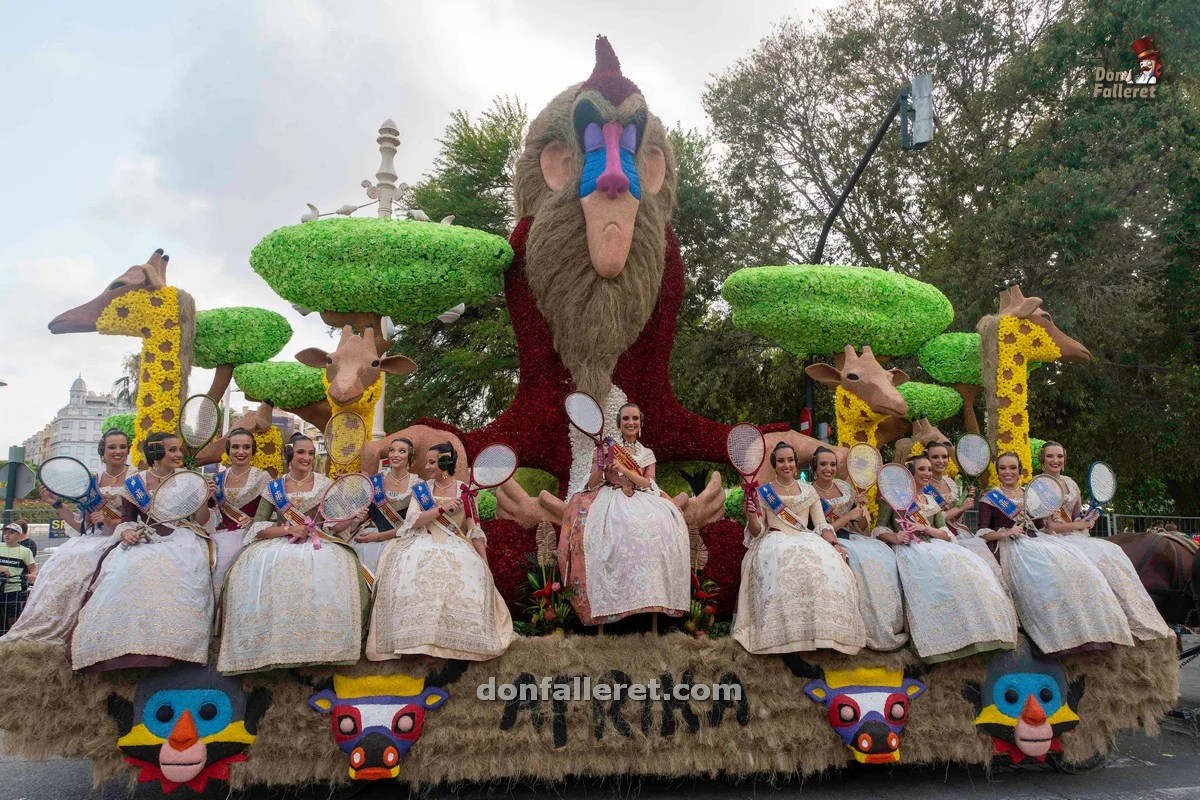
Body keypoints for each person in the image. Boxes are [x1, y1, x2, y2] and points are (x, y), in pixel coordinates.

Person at [217, 434, 370, 674]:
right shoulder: (274, 487)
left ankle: (323, 646)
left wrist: (352, 517)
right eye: (301, 452)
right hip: (279, 542)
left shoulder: (324, 484)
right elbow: (259, 526)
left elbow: (333, 525)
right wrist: (289, 529)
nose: (307, 457)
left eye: (311, 453)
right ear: (290, 454)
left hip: (318, 543)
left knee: (336, 567)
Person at [70, 432, 216, 672]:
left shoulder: (191, 480)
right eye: (172, 450)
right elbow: (127, 520)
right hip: (144, 536)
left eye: (179, 449)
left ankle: (173, 647)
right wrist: (126, 532)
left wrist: (203, 499)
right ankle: (120, 645)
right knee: (122, 569)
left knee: (174, 571)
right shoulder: (134, 484)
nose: (179, 454)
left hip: (182, 539)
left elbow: (202, 521)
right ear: (156, 454)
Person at [367, 442, 514, 661]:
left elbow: (473, 529)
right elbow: (414, 521)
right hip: (421, 540)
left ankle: (450, 642)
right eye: (427, 461)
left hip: (455, 543)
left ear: (445, 464)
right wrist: (441, 509)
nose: (426, 467)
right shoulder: (421, 490)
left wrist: (485, 564)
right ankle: (413, 640)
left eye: (432, 462)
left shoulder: (465, 492)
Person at [976, 452, 1132, 655]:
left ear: (1020, 471)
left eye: (1012, 468)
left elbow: (1042, 527)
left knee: (1074, 565)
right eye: (1003, 468)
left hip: (1038, 541)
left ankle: (1088, 629)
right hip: (1011, 546)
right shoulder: (990, 498)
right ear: (997, 472)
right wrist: (1005, 533)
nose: (1008, 472)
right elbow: (982, 532)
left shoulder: (1030, 493)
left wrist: (1057, 520)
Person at [874, 455, 1017, 663]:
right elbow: (879, 528)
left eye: (929, 470)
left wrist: (925, 527)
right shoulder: (892, 499)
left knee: (970, 566)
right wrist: (895, 537)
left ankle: (980, 632)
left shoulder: (931, 501)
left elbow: (944, 533)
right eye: (922, 469)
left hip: (936, 545)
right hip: (910, 548)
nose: (927, 474)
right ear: (909, 474)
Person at [558, 403, 691, 626]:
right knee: (602, 531)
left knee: (662, 525)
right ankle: (606, 604)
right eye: (626, 419)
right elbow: (593, 482)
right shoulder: (605, 448)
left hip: (641, 496)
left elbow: (647, 482)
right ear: (619, 424)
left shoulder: (646, 453)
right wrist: (604, 462)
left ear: (641, 423)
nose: (631, 423)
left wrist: (623, 467)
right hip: (611, 496)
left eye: (635, 419)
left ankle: (653, 598)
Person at [3, 429, 135, 646]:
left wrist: (111, 519)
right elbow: (81, 525)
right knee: (59, 566)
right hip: (92, 539)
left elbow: (140, 518)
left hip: (123, 537)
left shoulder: (136, 478)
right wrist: (55, 504)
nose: (118, 451)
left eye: (123, 447)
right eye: (112, 447)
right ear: (103, 452)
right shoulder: (93, 481)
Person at [732, 442, 866, 655]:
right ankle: (787, 639)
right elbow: (757, 531)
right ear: (774, 465)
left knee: (826, 568)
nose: (786, 465)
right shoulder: (764, 492)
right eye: (781, 461)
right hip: (775, 539)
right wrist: (750, 515)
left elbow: (821, 524)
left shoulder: (808, 490)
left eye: (790, 460)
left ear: (796, 464)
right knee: (785, 570)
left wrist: (834, 544)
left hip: (806, 539)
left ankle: (824, 634)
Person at [1038, 442, 1171, 642]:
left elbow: (1076, 518)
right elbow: (1048, 525)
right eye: (1050, 456)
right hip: (1052, 539)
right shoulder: (1038, 485)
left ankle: (1136, 616)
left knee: (1113, 552)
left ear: (1064, 460)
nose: (1055, 460)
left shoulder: (1071, 483)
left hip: (1076, 537)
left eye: (1059, 456)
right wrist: (1078, 525)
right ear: (1042, 461)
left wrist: (1087, 520)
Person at [809, 446, 906, 650]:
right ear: (814, 467)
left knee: (884, 555)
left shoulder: (845, 489)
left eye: (832, 464)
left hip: (852, 536)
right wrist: (847, 516)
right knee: (859, 563)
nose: (829, 468)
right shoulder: (808, 492)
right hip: (825, 539)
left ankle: (889, 622)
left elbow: (861, 528)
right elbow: (816, 528)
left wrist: (861, 510)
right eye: (823, 464)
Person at [208, 427, 271, 592]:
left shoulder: (263, 478)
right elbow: (203, 518)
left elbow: (273, 515)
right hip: (221, 540)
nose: (241, 451)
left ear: (253, 450)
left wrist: (255, 521)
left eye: (246, 447)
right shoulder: (216, 480)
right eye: (235, 447)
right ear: (228, 450)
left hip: (253, 539)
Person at [352, 437, 417, 574]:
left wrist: (379, 537)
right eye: (392, 450)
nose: (395, 454)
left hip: (401, 537)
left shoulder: (417, 484)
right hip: (372, 532)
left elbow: (412, 524)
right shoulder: (375, 481)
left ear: (410, 457)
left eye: (402, 451)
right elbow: (361, 512)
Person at [925, 441, 975, 531]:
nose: (941, 461)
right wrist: (960, 508)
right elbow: (935, 521)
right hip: (934, 533)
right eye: (935, 457)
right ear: (927, 459)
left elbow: (955, 518)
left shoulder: (951, 483)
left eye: (944, 457)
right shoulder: (922, 486)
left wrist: (965, 499)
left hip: (954, 530)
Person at [0, 523, 37, 635]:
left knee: (12, 620)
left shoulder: (25, 552)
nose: (7, 535)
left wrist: (33, 575)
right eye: (5, 532)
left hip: (13, 589)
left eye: (12, 533)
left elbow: (34, 570)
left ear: (19, 535)